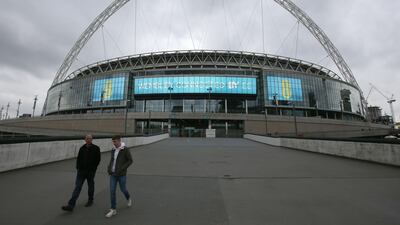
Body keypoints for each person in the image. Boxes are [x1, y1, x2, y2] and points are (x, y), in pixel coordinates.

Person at [61, 134, 101, 212]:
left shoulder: (96, 148)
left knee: (90, 186)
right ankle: (71, 205)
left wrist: (93, 169)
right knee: (77, 187)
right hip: (81, 172)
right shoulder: (82, 148)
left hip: (90, 172)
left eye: (90, 138)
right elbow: (78, 159)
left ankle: (90, 200)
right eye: (87, 138)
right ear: (85, 139)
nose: (88, 140)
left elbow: (98, 160)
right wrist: (78, 167)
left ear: (92, 139)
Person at [105, 135, 133, 218]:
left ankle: (128, 198)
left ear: (119, 140)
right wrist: (109, 168)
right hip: (113, 174)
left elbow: (130, 160)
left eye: (115, 141)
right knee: (112, 191)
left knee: (123, 189)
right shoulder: (113, 149)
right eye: (113, 141)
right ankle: (113, 209)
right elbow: (112, 159)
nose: (114, 143)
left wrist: (122, 168)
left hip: (121, 174)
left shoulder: (125, 149)